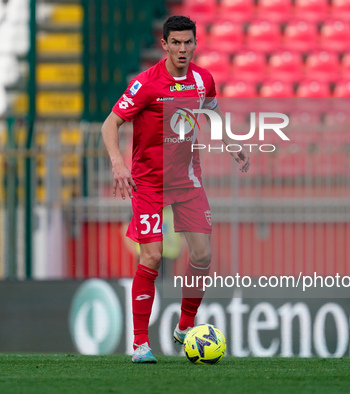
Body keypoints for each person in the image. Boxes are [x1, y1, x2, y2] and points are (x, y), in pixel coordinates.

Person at [101, 15, 249, 364]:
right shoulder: (146, 84)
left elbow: (213, 113)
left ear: (195, 44)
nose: (183, 49)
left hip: (187, 180)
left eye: (188, 43)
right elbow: (111, 124)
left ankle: (184, 327)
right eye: (176, 43)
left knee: (202, 256)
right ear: (164, 45)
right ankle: (140, 343)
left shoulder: (203, 80)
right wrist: (117, 163)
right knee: (151, 257)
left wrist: (230, 143)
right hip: (150, 182)